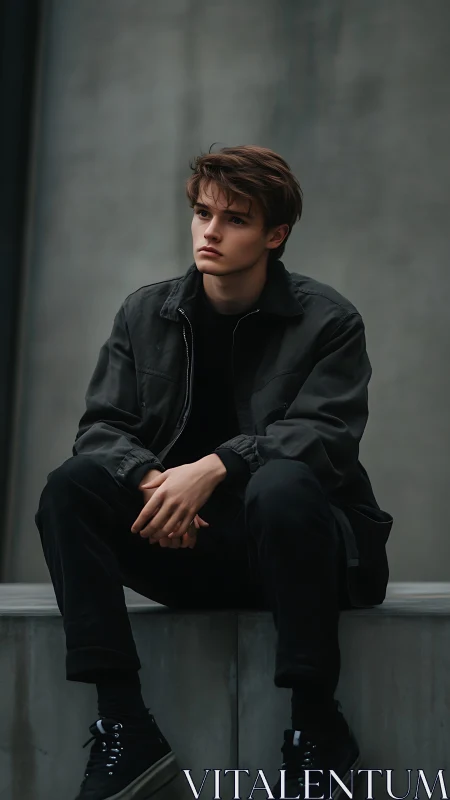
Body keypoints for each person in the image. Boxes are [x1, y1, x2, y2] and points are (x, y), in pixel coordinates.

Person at [36, 144, 393, 800]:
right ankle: (125, 724)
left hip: (298, 550)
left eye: (235, 219)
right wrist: (155, 484)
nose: (210, 231)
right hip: (185, 543)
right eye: (203, 213)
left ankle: (316, 728)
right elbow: (101, 428)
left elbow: (323, 437)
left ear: (274, 236)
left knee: (283, 481)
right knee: (69, 486)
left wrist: (214, 466)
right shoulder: (146, 314)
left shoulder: (328, 321)